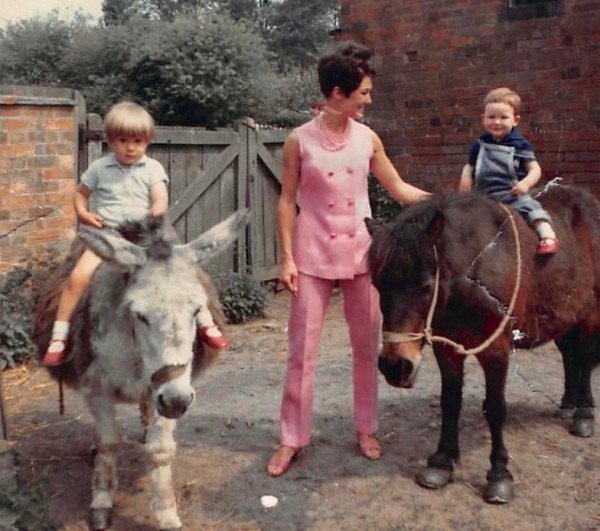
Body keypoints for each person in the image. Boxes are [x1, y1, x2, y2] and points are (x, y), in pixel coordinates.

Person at [266, 41, 431, 477]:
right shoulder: (297, 140)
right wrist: (286, 258)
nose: (369, 100)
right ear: (338, 93)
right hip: (311, 255)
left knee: (366, 347)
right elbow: (286, 202)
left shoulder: (368, 138)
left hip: (362, 257)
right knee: (302, 352)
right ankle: (291, 438)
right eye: (363, 93)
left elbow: (398, 189)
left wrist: (448, 203)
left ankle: (366, 428)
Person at [42, 101, 229, 367]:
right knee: (78, 277)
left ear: (148, 141)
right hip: (110, 237)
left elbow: (160, 198)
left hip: (145, 237)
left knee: (184, 275)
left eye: (138, 141)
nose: (130, 147)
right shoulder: (99, 168)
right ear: (109, 140)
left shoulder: (152, 169)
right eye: (122, 140)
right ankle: (59, 336)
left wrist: (155, 214)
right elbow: (79, 194)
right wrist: (84, 214)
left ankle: (205, 323)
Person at [458, 87, 560, 254]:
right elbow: (470, 165)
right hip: (482, 194)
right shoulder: (479, 144)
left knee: (530, 207)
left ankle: (547, 235)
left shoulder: (519, 145)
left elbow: (535, 169)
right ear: (483, 119)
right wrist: (466, 177)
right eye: (491, 117)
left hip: (510, 192)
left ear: (515, 120)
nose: (496, 122)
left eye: (503, 117)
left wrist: (525, 184)